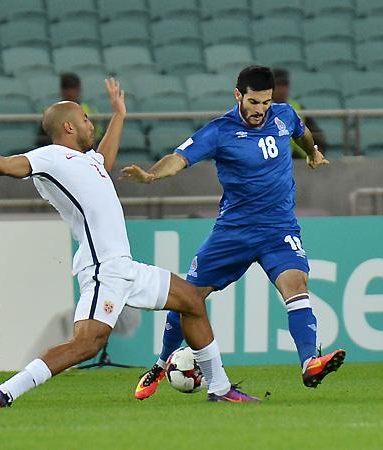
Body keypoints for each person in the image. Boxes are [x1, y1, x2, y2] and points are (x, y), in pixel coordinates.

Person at [0, 78, 259, 408]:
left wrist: (119, 114)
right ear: (68, 126)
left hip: (125, 268)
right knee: (87, 344)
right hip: (103, 270)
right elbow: (5, 167)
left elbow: (105, 162)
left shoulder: (87, 160)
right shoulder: (50, 157)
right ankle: (5, 391)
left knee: (192, 301)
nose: (91, 124)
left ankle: (220, 387)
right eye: (85, 119)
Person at [121, 66, 345, 401]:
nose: (260, 110)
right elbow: (179, 158)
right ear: (238, 95)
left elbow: (302, 132)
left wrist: (311, 152)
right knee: (189, 298)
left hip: (279, 228)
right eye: (254, 102)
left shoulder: (284, 115)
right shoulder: (219, 131)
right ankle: (161, 363)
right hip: (234, 232)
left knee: (297, 285)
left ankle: (309, 362)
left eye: (266, 103)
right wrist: (152, 176)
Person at [272, 68, 327, 159]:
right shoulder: (262, 108)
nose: (282, 90)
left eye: (285, 85)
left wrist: (317, 150)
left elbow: (316, 134)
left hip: (298, 158)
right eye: (278, 85)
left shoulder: (297, 107)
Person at [35, 72, 102, 147]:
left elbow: (97, 135)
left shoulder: (89, 109)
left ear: (79, 89)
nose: (70, 92)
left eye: (73, 88)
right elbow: (43, 138)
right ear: (61, 90)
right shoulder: (51, 112)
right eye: (66, 88)